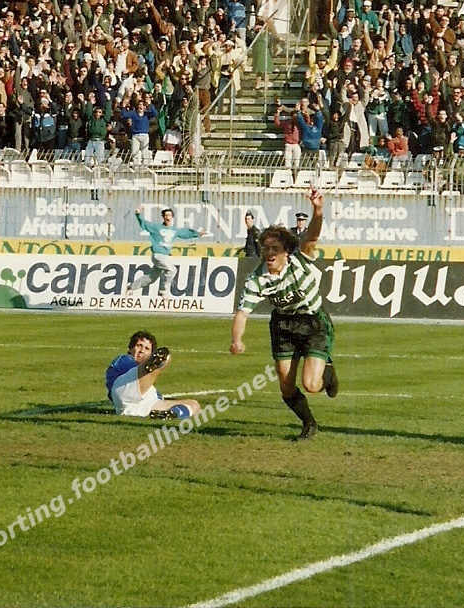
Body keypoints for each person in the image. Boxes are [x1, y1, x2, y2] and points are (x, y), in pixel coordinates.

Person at [230, 187, 339, 441]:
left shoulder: (300, 260)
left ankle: (328, 374)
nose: (269, 253)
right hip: (283, 325)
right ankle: (309, 423)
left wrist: (318, 210)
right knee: (286, 385)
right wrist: (236, 340)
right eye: (266, 248)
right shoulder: (257, 279)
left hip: (312, 321)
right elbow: (242, 313)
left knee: (311, 385)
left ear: (286, 251)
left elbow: (312, 236)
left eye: (274, 248)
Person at [105, 330, 201, 419]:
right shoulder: (124, 360)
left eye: (146, 348)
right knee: (166, 357)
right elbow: (115, 390)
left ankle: (172, 414)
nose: (142, 350)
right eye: (139, 346)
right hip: (126, 390)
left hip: (141, 405)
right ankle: (157, 362)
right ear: (130, 348)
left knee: (194, 404)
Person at [123, 207, 210, 297]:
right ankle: (163, 290)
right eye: (166, 215)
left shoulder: (175, 230)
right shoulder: (157, 228)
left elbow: (186, 233)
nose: (167, 217)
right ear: (163, 217)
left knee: (151, 278)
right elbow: (144, 223)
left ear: (172, 217)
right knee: (172, 270)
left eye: (169, 215)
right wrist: (138, 214)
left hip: (165, 257)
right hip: (158, 255)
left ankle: (131, 288)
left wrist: (198, 234)